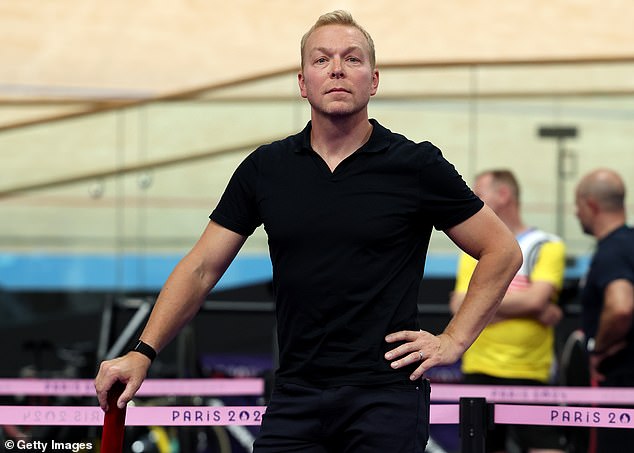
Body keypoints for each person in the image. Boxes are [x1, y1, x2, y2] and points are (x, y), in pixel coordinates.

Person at [95, 10, 522, 452]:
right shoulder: (266, 169)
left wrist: (453, 340)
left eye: (352, 59)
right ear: (303, 83)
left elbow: (501, 251)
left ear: (373, 80)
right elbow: (202, 268)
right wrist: (142, 352)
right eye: (322, 60)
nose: (337, 68)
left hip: (385, 399)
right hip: (296, 396)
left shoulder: (416, 165)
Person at [450, 169, 566, 453]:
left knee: (546, 447)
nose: (472, 200)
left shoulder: (547, 245)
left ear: (503, 196)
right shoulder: (470, 247)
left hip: (530, 372)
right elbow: (458, 305)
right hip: (479, 369)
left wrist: (483, 304)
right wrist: (528, 307)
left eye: (479, 194)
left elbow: (536, 300)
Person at [574, 168, 634, 453]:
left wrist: (598, 347)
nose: (576, 213)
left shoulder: (613, 250)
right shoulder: (629, 244)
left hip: (620, 383)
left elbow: (621, 307)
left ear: (592, 205)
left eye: (578, 205)